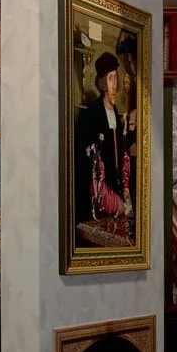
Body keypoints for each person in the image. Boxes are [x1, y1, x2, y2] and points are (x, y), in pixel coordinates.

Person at [75, 51, 132, 224]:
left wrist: (125, 187)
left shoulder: (117, 117)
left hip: (116, 191)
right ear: (102, 83)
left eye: (115, 78)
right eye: (110, 78)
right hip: (98, 200)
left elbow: (123, 154)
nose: (114, 84)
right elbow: (92, 170)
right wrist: (113, 202)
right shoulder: (92, 116)